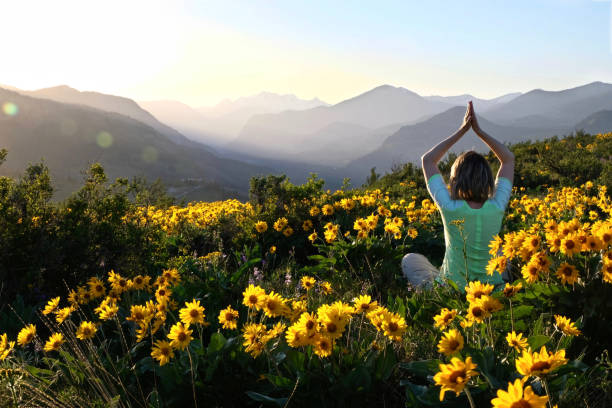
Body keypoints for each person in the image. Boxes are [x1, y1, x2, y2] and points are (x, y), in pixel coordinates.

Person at [401, 101, 514, 289]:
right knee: (504, 251)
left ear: (455, 181)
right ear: (487, 179)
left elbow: (427, 160)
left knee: (410, 260)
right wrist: (479, 131)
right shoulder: (497, 206)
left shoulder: (449, 207)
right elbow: (508, 160)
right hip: (492, 291)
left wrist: (462, 130)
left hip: (453, 290)